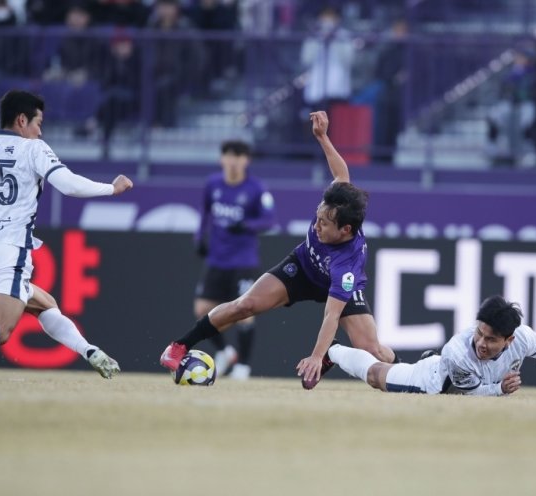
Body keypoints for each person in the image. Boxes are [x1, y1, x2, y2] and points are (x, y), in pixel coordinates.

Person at [160, 111, 397, 387]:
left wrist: (316, 357)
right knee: (244, 304)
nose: (317, 226)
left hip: (334, 284)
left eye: (324, 224)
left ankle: (406, 373)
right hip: (302, 268)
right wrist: (322, 136)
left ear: (345, 230)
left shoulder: (347, 266)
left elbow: (331, 315)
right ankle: (178, 346)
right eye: (317, 217)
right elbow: (341, 172)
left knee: (374, 351)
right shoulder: (338, 200)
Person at [0, 90, 134, 378]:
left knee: (45, 304)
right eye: (38, 123)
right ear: (22, 120)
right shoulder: (33, 149)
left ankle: (89, 350)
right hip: (8, 252)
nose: (40, 132)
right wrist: (111, 188)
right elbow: (68, 185)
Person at [323, 295, 536, 399]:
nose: (481, 343)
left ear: (509, 339)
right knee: (375, 375)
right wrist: (499, 388)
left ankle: (422, 359)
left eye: (491, 339)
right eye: (480, 333)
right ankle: (332, 351)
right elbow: (471, 394)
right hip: (432, 382)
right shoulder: (458, 352)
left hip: (452, 373)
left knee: (385, 360)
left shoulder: (523, 337)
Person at [194, 140, 276, 380]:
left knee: (245, 312)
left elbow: (269, 220)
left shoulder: (257, 189)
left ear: (246, 160)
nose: (233, 161)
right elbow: (204, 213)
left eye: (238, 156)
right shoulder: (212, 184)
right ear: (222, 159)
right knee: (202, 309)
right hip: (217, 259)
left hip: (244, 260)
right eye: (229, 156)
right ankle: (225, 351)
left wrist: (246, 225)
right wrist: (199, 237)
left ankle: (244, 366)